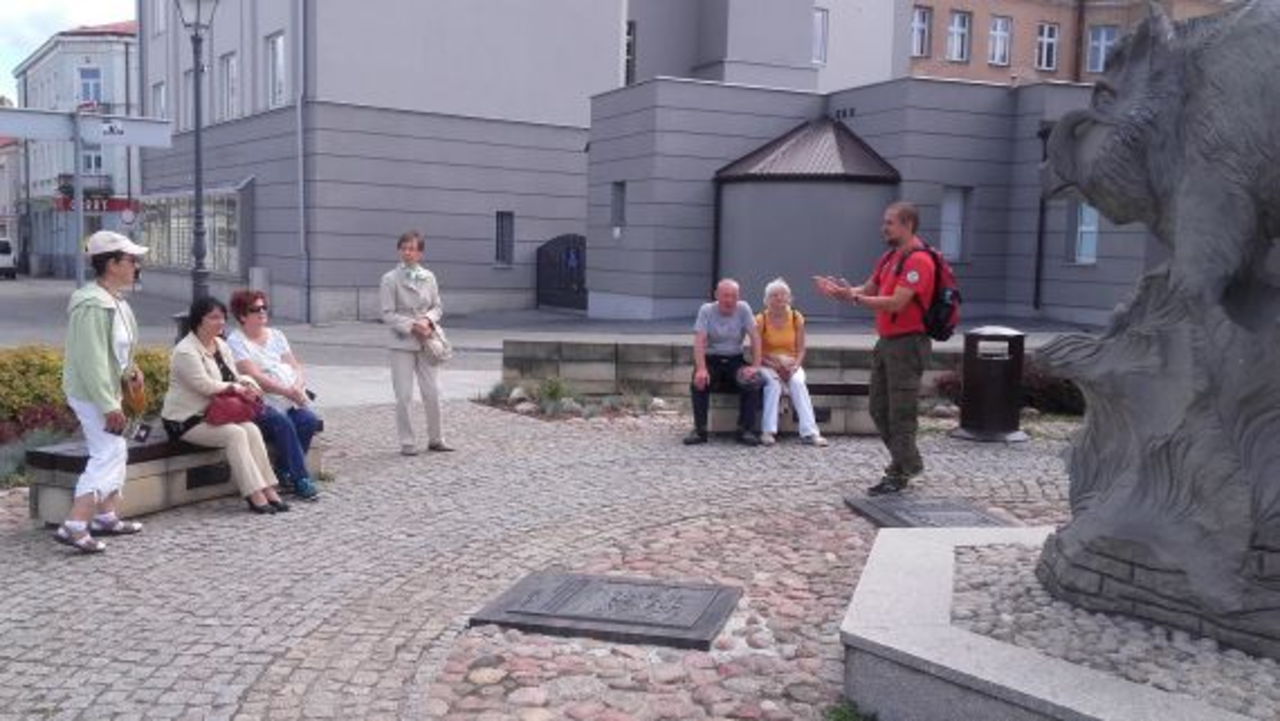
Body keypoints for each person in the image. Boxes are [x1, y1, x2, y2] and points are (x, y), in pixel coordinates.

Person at [815, 201, 935, 495]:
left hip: (908, 345)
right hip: (887, 343)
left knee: (900, 413)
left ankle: (900, 471)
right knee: (878, 408)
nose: (883, 228)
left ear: (908, 224)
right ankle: (908, 463)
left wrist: (854, 299)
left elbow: (896, 302)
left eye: (890, 223)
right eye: (884, 222)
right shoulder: (890, 257)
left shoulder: (919, 261)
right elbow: (868, 289)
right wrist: (843, 293)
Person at [54, 231, 149, 553]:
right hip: (94, 393)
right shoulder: (93, 305)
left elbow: (117, 352)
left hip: (107, 391)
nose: (136, 265)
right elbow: (91, 359)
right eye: (131, 260)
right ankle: (75, 525)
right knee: (106, 453)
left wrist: (132, 371)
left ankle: (105, 517)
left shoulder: (115, 302)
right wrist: (109, 404)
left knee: (115, 450)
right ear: (112, 264)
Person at [161, 296, 292, 514]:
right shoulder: (185, 351)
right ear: (198, 320)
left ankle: (268, 488)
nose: (221, 322)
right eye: (214, 317)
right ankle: (254, 493)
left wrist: (249, 385)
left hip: (216, 414)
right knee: (235, 434)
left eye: (223, 317)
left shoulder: (221, 345)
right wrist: (235, 388)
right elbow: (203, 385)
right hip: (187, 419)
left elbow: (235, 375)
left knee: (251, 429)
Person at [226, 289, 321, 500]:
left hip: (288, 399)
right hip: (259, 403)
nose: (262, 312)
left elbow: (295, 366)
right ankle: (301, 479)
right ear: (242, 316)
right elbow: (255, 376)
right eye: (255, 309)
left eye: (264, 307)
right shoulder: (236, 341)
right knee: (282, 422)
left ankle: (283, 471)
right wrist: (288, 391)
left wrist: (297, 388)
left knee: (309, 420)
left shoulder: (277, 335)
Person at [380, 230, 452, 456]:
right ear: (399, 251)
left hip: (426, 340)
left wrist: (427, 320)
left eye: (412, 249)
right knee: (403, 395)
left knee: (433, 392)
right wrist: (412, 325)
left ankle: (436, 439)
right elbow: (387, 314)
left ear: (420, 253)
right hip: (402, 342)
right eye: (404, 248)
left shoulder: (429, 277)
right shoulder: (389, 279)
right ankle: (407, 442)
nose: (407, 252)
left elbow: (437, 306)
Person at [684, 278, 763, 446]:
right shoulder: (706, 310)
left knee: (753, 381)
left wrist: (756, 366)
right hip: (711, 359)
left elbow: (755, 337)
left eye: (733, 296)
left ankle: (745, 430)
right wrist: (701, 368)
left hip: (735, 359)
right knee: (699, 381)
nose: (729, 300)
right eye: (725, 295)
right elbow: (699, 340)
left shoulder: (743, 308)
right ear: (716, 295)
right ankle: (700, 430)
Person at [755, 278, 827, 448]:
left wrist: (794, 367)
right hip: (768, 364)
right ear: (766, 299)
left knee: (798, 383)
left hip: (791, 363)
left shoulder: (796, 317)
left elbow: (801, 349)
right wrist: (776, 365)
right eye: (774, 295)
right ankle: (768, 431)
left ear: (789, 298)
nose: (779, 298)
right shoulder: (760, 319)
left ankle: (810, 433)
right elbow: (755, 352)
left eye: (783, 295)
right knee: (773, 385)